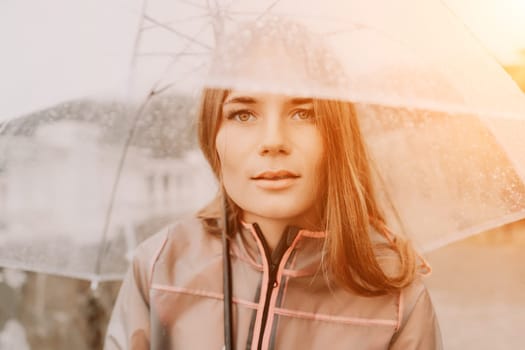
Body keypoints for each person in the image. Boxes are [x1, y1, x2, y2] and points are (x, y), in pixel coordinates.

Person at [104, 87, 442, 349]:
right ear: (213, 136)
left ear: (338, 136)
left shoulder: (396, 298)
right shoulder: (159, 266)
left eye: (303, 113)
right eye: (243, 114)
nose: (273, 141)